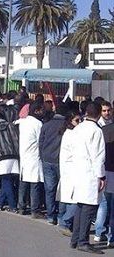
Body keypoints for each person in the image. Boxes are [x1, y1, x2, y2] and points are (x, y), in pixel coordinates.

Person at [66, 102, 106, 253]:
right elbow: (98, 156)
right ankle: (83, 241)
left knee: (80, 207)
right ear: (99, 114)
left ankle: (75, 239)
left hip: (78, 171)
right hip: (90, 173)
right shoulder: (96, 131)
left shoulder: (78, 128)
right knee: (88, 209)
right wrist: (101, 176)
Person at [15, 101, 45, 218]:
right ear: (37, 111)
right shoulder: (38, 124)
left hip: (24, 155)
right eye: (42, 110)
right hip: (34, 156)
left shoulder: (23, 122)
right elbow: (40, 141)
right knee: (34, 183)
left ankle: (21, 206)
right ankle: (35, 209)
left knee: (23, 182)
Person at [39, 102, 67, 224]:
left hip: (47, 159)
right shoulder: (67, 126)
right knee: (62, 189)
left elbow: (40, 143)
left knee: (50, 189)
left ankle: (51, 215)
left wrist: (43, 155)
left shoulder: (46, 125)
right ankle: (61, 216)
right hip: (62, 161)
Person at [57, 111, 81, 237]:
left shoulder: (69, 133)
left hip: (69, 171)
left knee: (67, 198)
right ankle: (65, 222)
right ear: (70, 121)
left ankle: (64, 221)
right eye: (77, 121)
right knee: (76, 200)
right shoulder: (71, 135)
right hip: (71, 170)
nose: (79, 123)